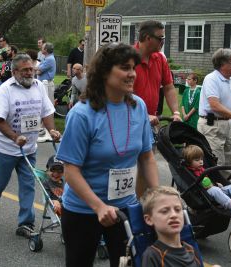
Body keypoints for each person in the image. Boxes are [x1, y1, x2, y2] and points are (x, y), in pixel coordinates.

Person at [56, 43, 159, 267]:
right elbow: (71, 171)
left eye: (133, 67)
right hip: (83, 209)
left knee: (127, 263)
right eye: (124, 67)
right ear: (104, 72)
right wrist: (98, 206)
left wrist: (158, 196)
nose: (132, 73)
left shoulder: (138, 106)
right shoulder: (82, 114)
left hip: (125, 207)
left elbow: (147, 157)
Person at [0, 54, 61, 239]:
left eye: (31, 69)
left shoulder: (38, 86)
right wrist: (15, 137)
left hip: (29, 148)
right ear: (15, 72)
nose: (30, 72)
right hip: (4, 148)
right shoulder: (5, 90)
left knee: (28, 184)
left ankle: (25, 223)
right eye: (25, 70)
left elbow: (47, 112)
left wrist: (52, 131)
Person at [133, 20, 181, 198]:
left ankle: (140, 205)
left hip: (150, 122)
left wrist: (175, 112)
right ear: (147, 38)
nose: (163, 42)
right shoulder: (129, 57)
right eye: (160, 38)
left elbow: (168, 87)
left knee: (146, 165)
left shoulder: (160, 58)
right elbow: (122, 93)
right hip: (128, 120)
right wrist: (143, 114)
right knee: (121, 168)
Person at [182, 145, 231, 212]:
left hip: (214, 189)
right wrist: (209, 186)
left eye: (201, 159)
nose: (201, 162)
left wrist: (216, 184)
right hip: (203, 194)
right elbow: (197, 184)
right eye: (197, 160)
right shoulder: (189, 172)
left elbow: (208, 181)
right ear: (189, 162)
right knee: (214, 190)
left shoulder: (202, 169)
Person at [141, 186, 201, 267]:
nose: (173, 215)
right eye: (165, 211)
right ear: (149, 219)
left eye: (177, 209)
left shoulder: (191, 249)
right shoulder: (153, 255)